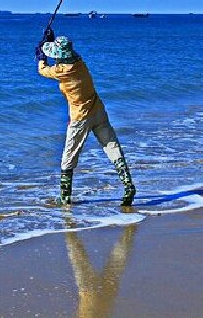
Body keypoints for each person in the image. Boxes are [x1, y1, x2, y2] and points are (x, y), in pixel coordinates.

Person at [36, 29, 136, 206]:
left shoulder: (63, 70)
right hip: (97, 110)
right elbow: (61, 55)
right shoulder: (79, 61)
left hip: (80, 117)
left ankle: (65, 198)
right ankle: (128, 185)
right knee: (111, 146)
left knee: (68, 157)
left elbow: (43, 71)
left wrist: (41, 57)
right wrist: (49, 41)